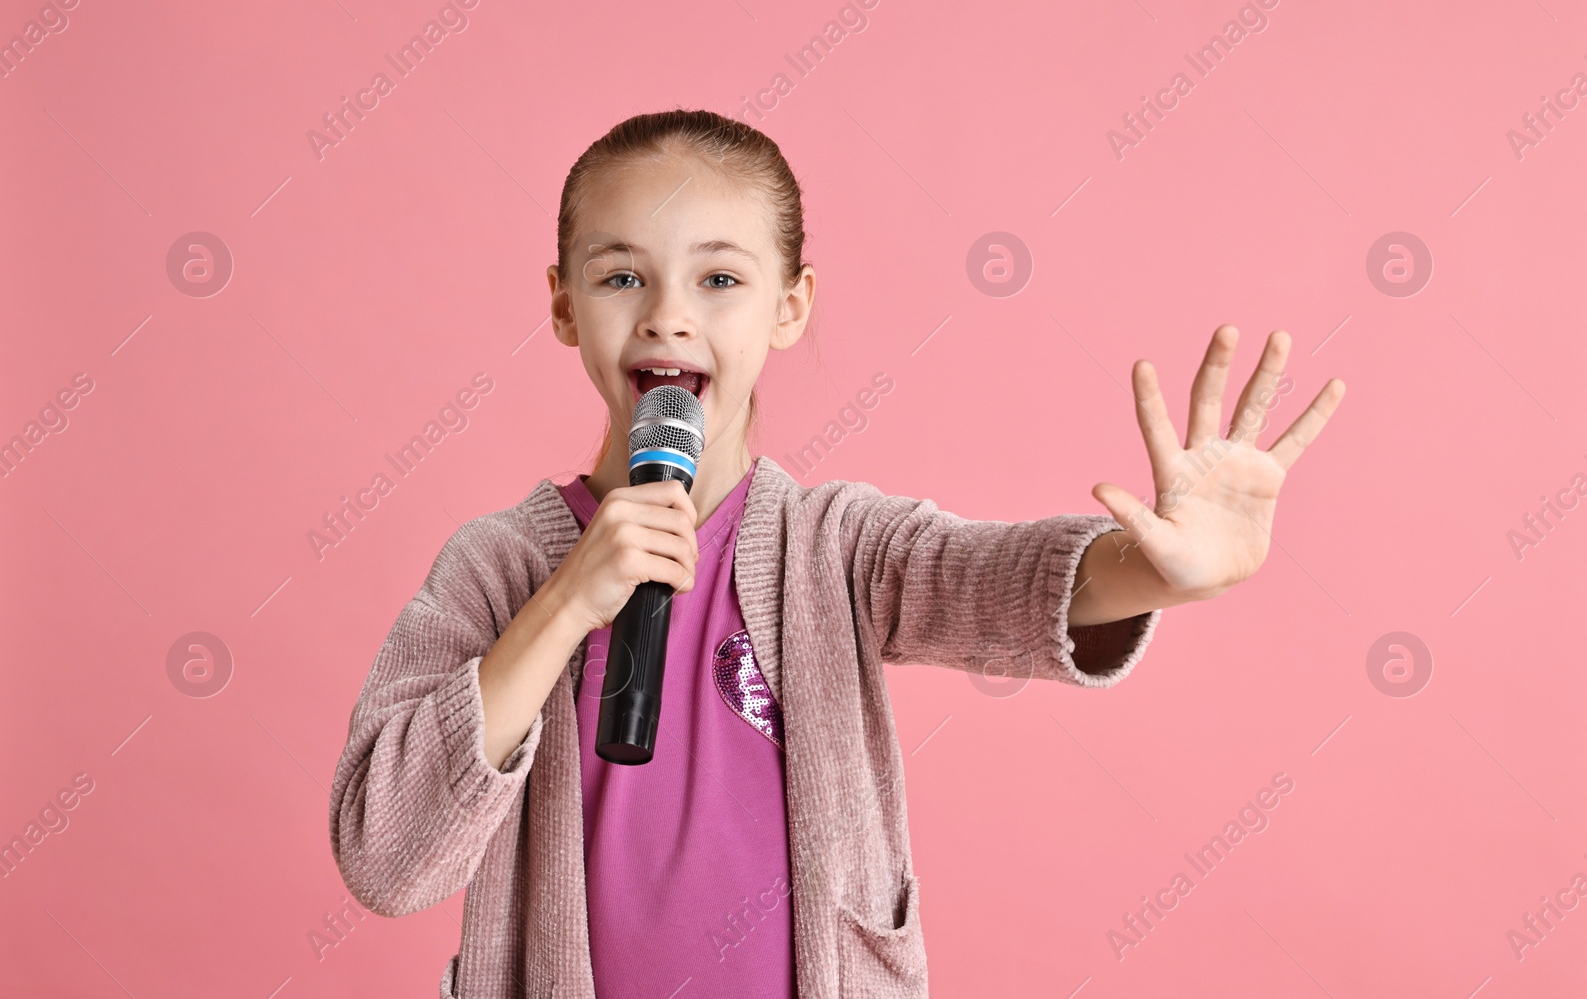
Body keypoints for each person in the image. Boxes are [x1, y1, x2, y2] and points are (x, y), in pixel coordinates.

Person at [328, 109, 1345, 999]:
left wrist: (1151, 567)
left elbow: (986, 579)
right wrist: (564, 604)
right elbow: (387, 857)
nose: (667, 313)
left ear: (791, 304)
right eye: (621, 274)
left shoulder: (837, 545)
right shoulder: (498, 564)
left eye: (719, 276)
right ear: (562, 303)